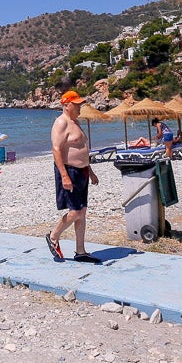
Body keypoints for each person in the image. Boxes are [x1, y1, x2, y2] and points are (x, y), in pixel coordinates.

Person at [46, 91, 101, 264]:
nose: (79, 107)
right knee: (75, 211)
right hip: (69, 171)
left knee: (82, 212)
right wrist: (64, 175)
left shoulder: (75, 122)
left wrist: (90, 171)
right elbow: (56, 149)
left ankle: (80, 251)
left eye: (80, 104)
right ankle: (53, 236)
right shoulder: (61, 123)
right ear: (66, 105)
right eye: (76, 104)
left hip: (82, 171)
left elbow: (81, 149)